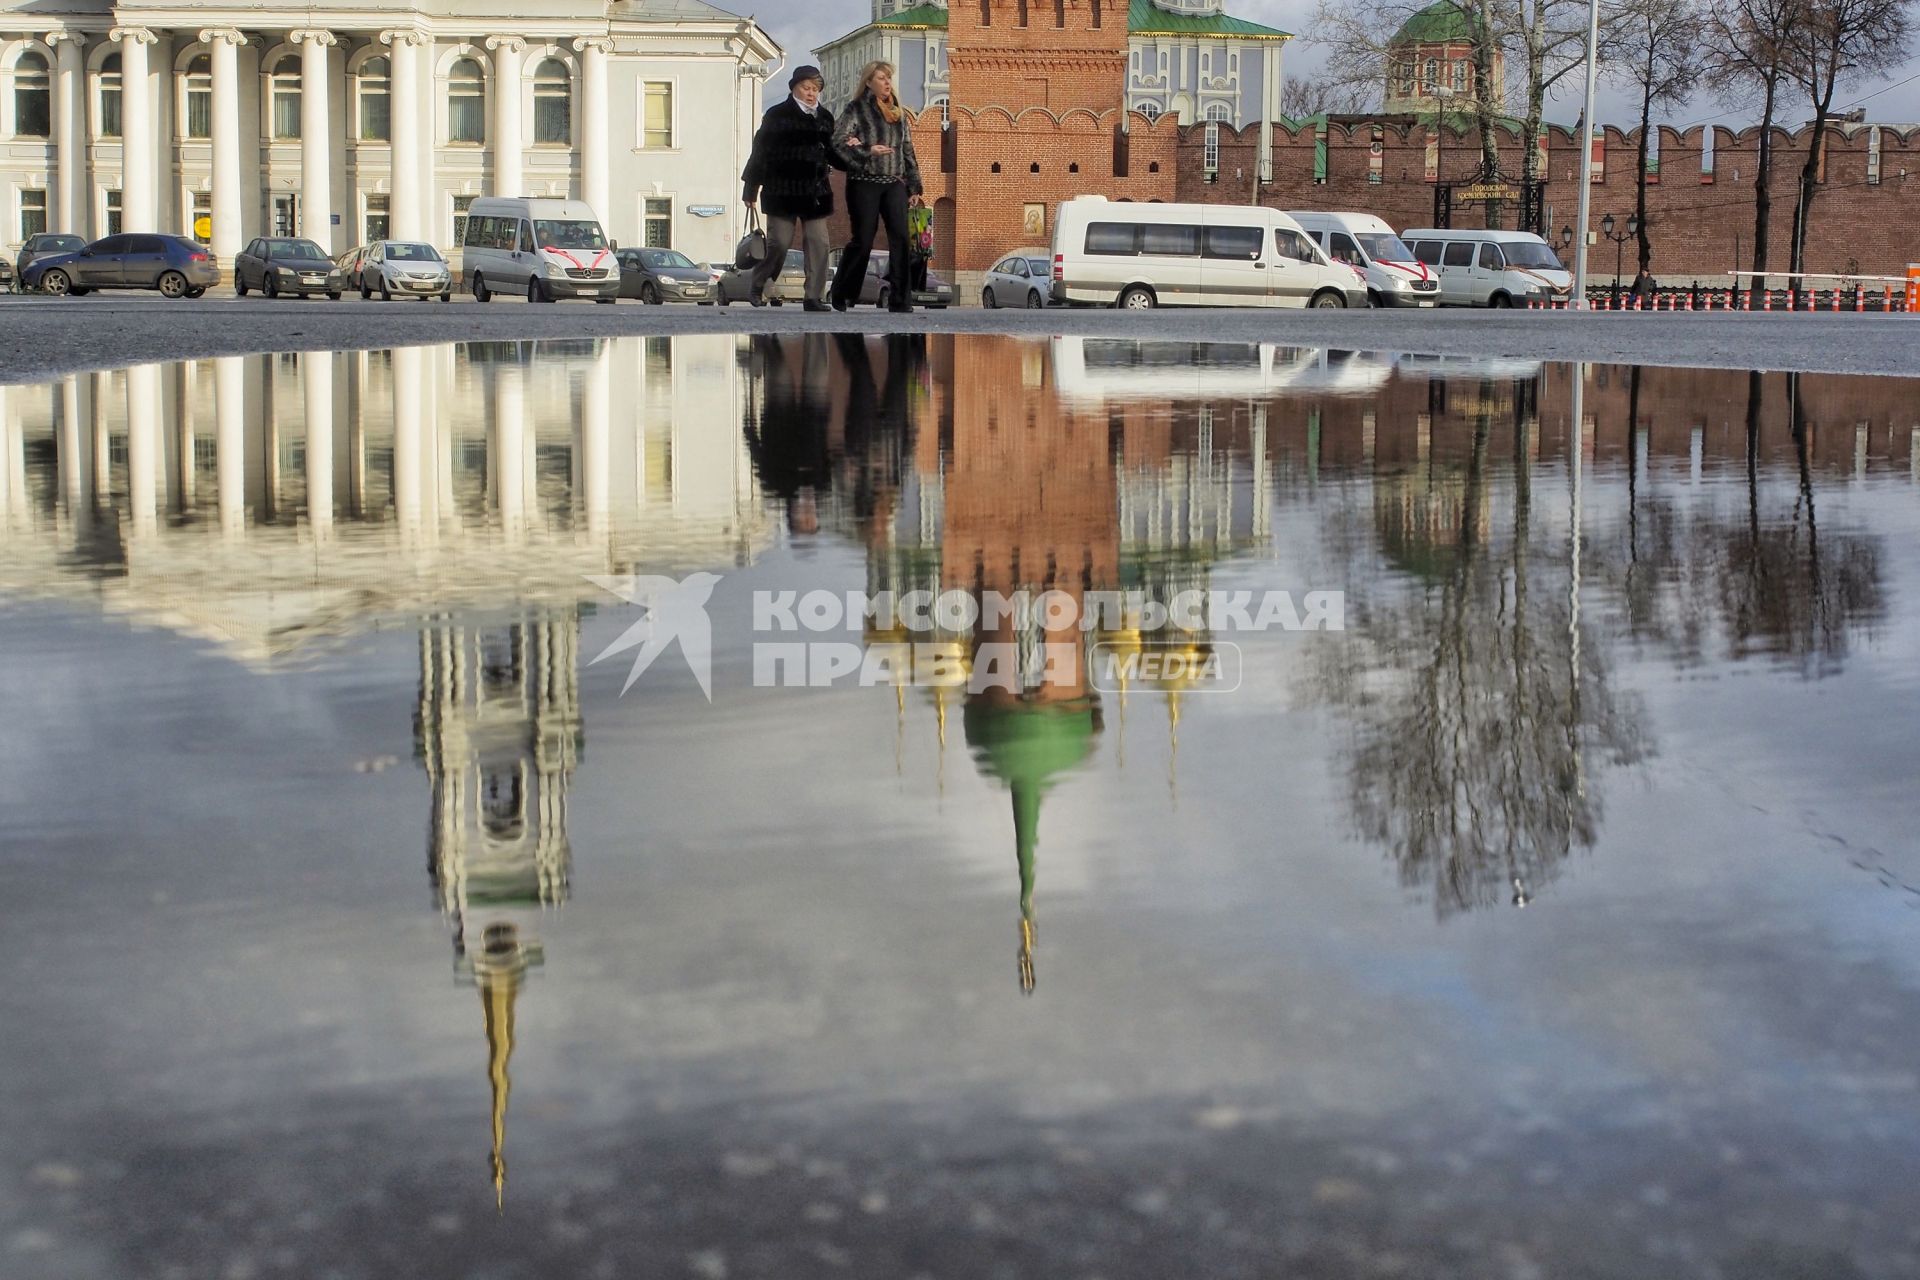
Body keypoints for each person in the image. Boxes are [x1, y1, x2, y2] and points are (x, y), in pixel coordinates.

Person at [741, 65, 841, 312]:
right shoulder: (776, 115)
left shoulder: (825, 118)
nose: (811, 93)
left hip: (815, 192)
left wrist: (856, 155)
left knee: (819, 242)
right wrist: (751, 189)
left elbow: (834, 153)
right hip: (782, 189)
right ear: (794, 88)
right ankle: (759, 283)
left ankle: (814, 297)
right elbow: (760, 152)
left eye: (816, 89)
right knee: (779, 243)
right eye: (806, 88)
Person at [830, 61, 924, 314]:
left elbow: (907, 150)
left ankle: (900, 299)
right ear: (869, 82)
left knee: (901, 238)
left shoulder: (898, 113)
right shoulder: (856, 109)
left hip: (893, 182)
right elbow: (837, 143)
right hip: (864, 182)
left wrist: (914, 185)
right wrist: (866, 150)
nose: (886, 83)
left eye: (888, 78)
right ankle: (842, 293)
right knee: (863, 240)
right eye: (881, 78)